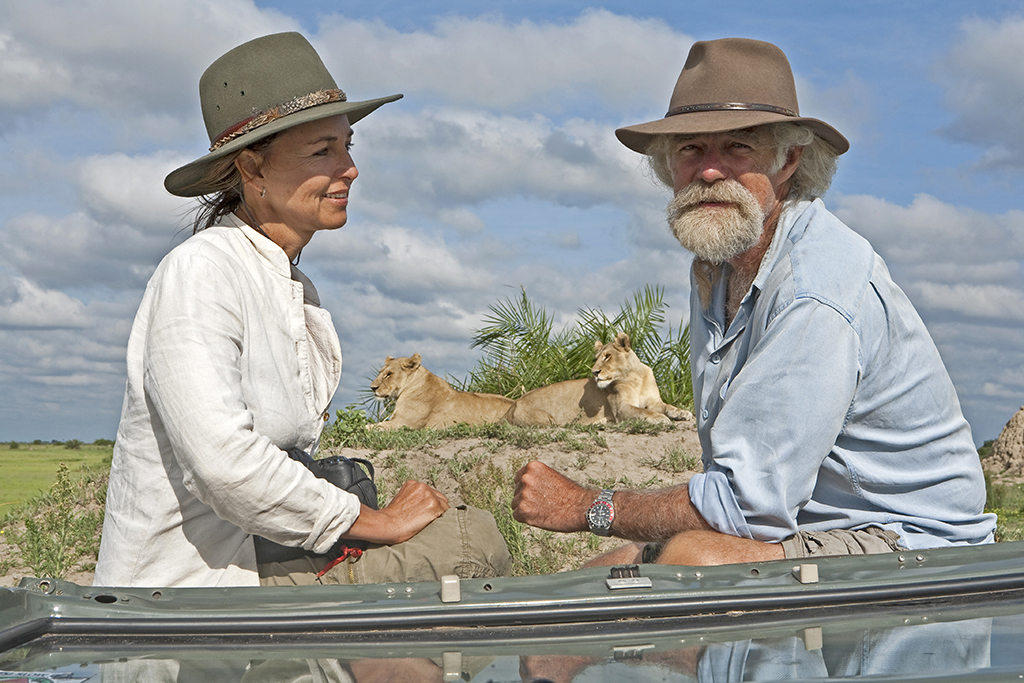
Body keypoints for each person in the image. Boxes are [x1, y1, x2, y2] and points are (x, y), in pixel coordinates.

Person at [512, 37, 995, 567]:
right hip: (807, 530)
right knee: (605, 571)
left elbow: (745, 505)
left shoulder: (814, 288)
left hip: (917, 545)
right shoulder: (717, 265)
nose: (710, 171)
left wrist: (587, 507)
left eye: (738, 147)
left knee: (691, 561)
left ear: (789, 160)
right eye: (690, 149)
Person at [94, 32, 510, 587]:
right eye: (322, 151)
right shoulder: (200, 272)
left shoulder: (286, 283)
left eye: (348, 146)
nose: (350, 169)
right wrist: (373, 522)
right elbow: (224, 465)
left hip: (260, 557)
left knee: (464, 527)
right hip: (198, 588)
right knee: (467, 542)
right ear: (251, 169)